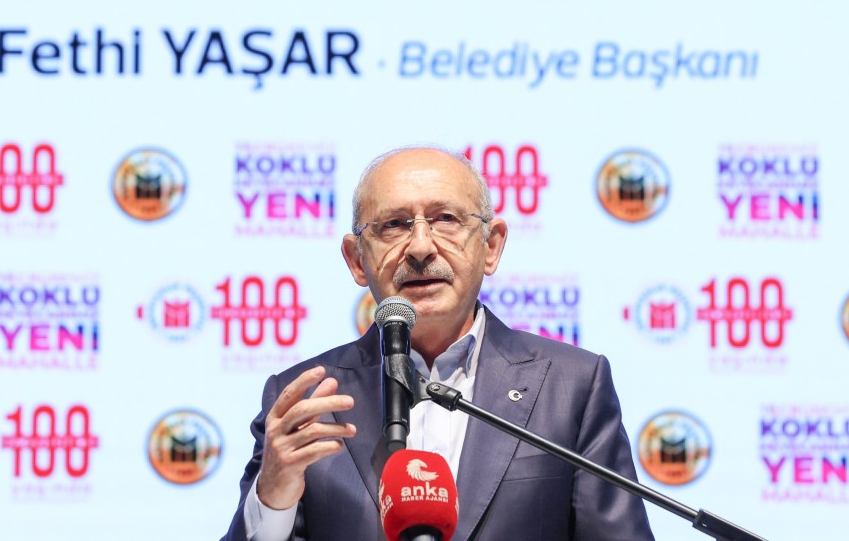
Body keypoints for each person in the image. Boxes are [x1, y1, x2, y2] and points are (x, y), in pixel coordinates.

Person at [221, 146, 656, 541]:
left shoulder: (571, 386)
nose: (420, 247)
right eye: (394, 225)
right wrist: (273, 497)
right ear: (357, 260)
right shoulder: (306, 398)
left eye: (446, 219)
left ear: (491, 246)